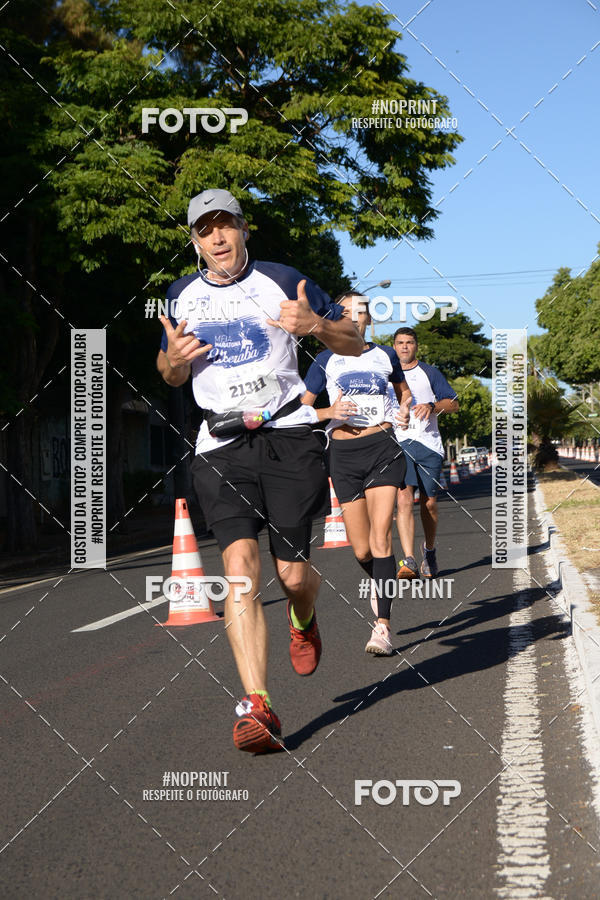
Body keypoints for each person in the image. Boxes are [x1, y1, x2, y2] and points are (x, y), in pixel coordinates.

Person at [157, 189, 363, 754]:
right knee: (240, 569)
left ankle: (304, 615)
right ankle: (258, 703)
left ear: (245, 230)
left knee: (293, 575)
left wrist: (317, 323)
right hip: (220, 443)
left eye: (226, 227)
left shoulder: (282, 279)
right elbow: (169, 371)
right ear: (195, 240)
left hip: (289, 436)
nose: (217, 239)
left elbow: (354, 338)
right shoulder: (180, 294)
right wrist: (173, 362)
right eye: (205, 231)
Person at [301, 294, 412, 656]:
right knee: (362, 548)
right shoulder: (324, 359)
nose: (354, 318)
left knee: (381, 539)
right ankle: (384, 585)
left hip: (382, 447)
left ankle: (382, 627)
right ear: (336, 318)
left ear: (369, 320)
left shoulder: (385, 355)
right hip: (344, 454)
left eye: (360, 312)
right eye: (346, 312)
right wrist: (328, 411)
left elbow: (402, 391)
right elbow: (301, 409)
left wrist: (407, 409)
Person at [390, 327, 459, 578]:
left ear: (416, 346)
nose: (405, 347)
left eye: (409, 342)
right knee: (404, 499)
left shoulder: (429, 372)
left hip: (429, 444)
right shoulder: (387, 374)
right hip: (399, 442)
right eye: (400, 343)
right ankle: (408, 560)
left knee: (429, 502)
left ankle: (429, 551)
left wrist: (432, 406)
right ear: (394, 346)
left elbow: (453, 403)